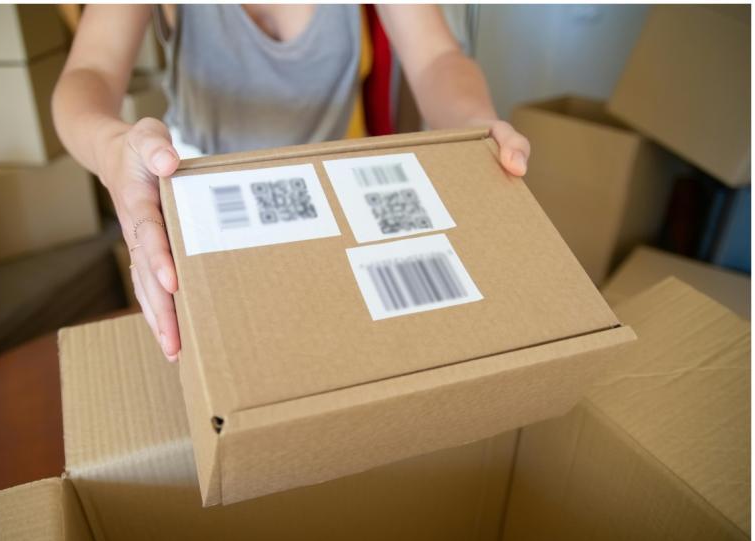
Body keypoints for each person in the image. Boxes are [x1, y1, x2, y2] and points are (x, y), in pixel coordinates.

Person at [52, 5, 530, 362]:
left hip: (337, 208)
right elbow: (88, 74)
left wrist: (476, 124)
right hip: (209, 220)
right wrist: (111, 147)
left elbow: (437, 58)